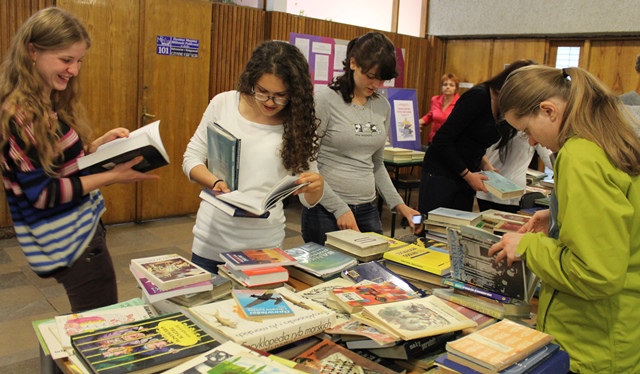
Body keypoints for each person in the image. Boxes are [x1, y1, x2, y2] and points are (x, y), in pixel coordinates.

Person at [0, 8, 159, 313]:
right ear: (32, 51)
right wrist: (113, 176)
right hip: (69, 243)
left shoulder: (45, 100)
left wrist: (97, 147)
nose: (73, 70)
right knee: (97, 330)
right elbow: (44, 194)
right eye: (65, 60)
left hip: (80, 230)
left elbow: (57, 164)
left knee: (96, 321)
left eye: (79, 61)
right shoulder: (22, 115)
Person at [488, 65, 640, 373]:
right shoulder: (605, 138)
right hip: (617, 330)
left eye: (528, 131)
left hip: (592, 341)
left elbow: (596, 273)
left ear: (549, 111)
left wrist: (529, 247)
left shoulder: (579, 156)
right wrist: (559, 213)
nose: (531, 142)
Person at [183, 41, 323, 273]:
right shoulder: (224, 103)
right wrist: (215, 183)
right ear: (251, 81)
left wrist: (317, 186)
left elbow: (309, 198)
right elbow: (191, 158)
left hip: (265, 245)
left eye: (280, 96)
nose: (269, 102)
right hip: (212, 240)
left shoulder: (298, 121)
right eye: (262, 92)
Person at [300, 32, 421, 245]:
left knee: (373, 272)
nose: (376, 84)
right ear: (353, 63)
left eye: (382, 78)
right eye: (371, 75)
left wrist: (398, 204)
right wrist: (339, 209)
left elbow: (377, 164)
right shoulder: (325, 100)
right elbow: (307, 162)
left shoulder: (382, 106)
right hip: (324, 209)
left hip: (367, 208)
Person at [417, 60, 536, 215]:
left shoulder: (503, 107)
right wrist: (467, 175)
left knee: (458, 230)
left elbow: (475, 143)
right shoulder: (479, 97)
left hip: (467, 174)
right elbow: (442, 141)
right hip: (442, 172)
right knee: (433, 228)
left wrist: (487, 166)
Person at [476, 131, 553, 213]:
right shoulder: (528, 131)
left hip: (486, 187)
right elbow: (550, 159)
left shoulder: (494, 125)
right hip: (512, 192)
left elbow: (478, 152)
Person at [418, 73, 460, 144]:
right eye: (445, 84)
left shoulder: (460, 103)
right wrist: (415, 123)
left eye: (451, 85)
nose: (447, 87)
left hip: (450, 142)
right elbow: (430, 116)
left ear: (456, 88)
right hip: (433, 140)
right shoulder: (435, 99)